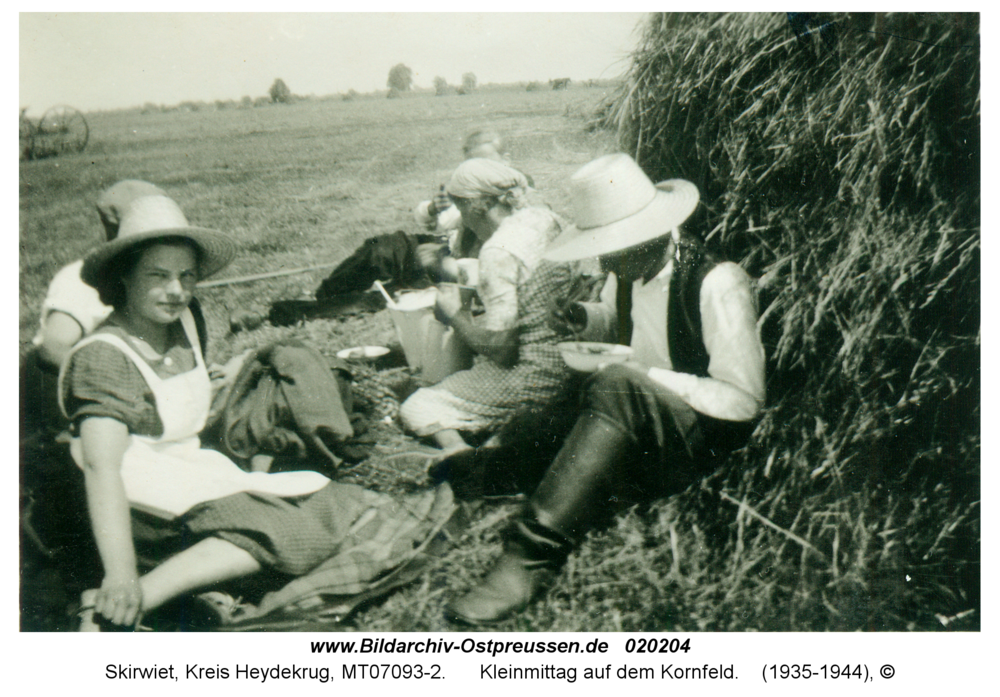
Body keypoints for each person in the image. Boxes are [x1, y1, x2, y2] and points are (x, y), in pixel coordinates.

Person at [59, 193, 453, 629]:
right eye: (158, 275)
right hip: (133, 501)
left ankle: (196, 569)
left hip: (186, 468)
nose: (176, 290)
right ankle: (130, 598)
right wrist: (120, 573)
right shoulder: (102, 357)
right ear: (124, 278)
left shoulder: (183, 319)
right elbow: (101, 468)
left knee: (330, 501)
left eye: (187, 276)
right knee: (294, 530)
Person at [445, 153, 766, 625]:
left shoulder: (716, 281)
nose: (606, 260)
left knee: (614, 383)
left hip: (700, 438)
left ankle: (532, 554)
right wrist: (586, 318)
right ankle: (502, 470)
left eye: (614, 247)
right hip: (637, 415)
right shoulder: (629, 270)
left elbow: (744, 401)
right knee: (565, 403)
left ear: (652, 231)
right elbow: (630, 324)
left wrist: (642, 377)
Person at [398, 158, 579, 460]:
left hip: (535, 376)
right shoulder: (547, 218)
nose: (463, 219)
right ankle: (502, 433)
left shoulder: (498, 251)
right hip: (574, 363)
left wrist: (454, 314)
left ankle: (459, 451)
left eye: (461, 208)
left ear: (475, 206)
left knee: (418, 404)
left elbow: (503, 350)